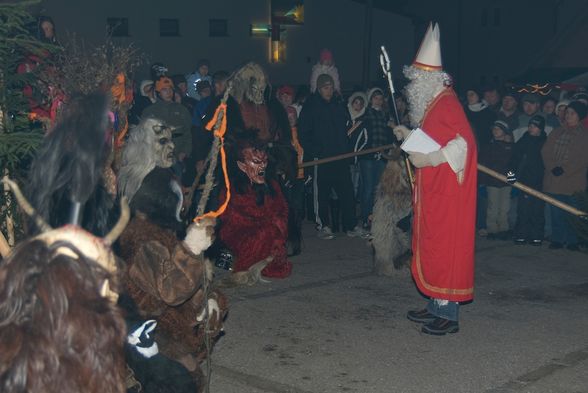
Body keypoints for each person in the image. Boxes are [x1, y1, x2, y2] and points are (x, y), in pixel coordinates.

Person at [393, 23, 477, 335]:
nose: (411, 85)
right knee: (432, 247)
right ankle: (434, 305)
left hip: (448, 196)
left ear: (428, 79)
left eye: (415, 79)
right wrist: (409, 137)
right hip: (434, 192)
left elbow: (462, 144)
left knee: (446, 249)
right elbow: (434, 139)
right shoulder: (433, 104)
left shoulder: (447, 103)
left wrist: (427, 158)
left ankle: (449, 315)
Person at [298, 73, 366, 239]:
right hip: (321, 158)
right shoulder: (311, 106)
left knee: (347, 192)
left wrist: (346, 149)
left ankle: (350, 225)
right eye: (326, 88)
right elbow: (303, 133)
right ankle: (323, 225)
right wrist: (316, 151)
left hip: (340, 157)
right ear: (319, 89)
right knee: (321, 194)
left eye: (331, 87)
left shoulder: (338, 105)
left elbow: (345, 130)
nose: (329, 91)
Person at [541, 100, 588, 251]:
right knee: (556, 213)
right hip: (554, 180)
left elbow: (582, 158)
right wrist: (553, 166)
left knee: (573, 213)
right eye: (567, 113)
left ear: (579, 116)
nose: (568, 116)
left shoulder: (584, 135)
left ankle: (573, 240)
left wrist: (565, 169)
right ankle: (558, 239)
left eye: (572, 113)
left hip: (573, 181)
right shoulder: (557, 131)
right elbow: (545, 151)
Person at [353, 87, 395, 232]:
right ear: (370, 100)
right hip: (368, 157)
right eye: (375, 98)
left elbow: (390, 135)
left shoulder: (385, 116)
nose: (378, 100)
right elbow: (358, 132)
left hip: (382, 157)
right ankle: (366, 218)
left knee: (379, 189)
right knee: (368, 188)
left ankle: (377, 217)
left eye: (380, 98)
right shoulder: (366, 114)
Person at [507, 115, 547, 245]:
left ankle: (536, 235)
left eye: (534, 126)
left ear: (540, 128)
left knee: (537, 210)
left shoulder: (545, 142)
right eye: (530, 125)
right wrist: (511, 173)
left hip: (540, 181)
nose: (531, 128)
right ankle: (521, 234)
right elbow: (513, 158)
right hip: (524, 180)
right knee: (523, 209)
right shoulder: (523, 141)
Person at [478, 120, 514, 239]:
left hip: (506, 182)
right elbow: (483, 164)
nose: (495, 131)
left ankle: (503, 229)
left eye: (498, 129)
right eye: (494, 129)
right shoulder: (488, 147)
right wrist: (482, 182)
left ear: (505, 132)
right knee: (492, 206)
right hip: (491, 181)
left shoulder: (510, 147)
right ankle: (492, 229)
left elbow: (513, 163)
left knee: (505, 207)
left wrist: (512, 177)